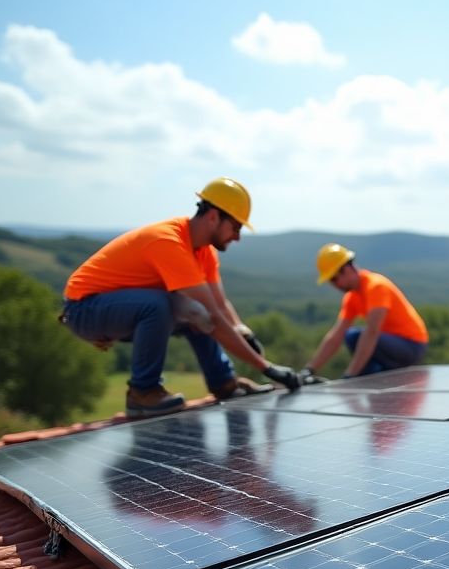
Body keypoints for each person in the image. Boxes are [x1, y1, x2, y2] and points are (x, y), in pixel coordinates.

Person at [61, 178, 299, 418]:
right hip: (84, 310)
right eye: (236, 227)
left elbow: (217, 305)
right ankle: (142, 393)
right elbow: (215, 319)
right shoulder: (169, 241)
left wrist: (242, 330)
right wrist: (265, 367)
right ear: (214, 216)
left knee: (194, 313)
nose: (237, 237)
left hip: (119, 307)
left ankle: (224, 383)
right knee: (163, 305)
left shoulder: (205, 251)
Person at [300, 243, 429, 381]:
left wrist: (349, 375)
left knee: (357, 336)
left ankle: (366, 378)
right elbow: (336, 336)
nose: (334, 285)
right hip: (389, 346)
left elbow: (372, 333)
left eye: (334, 278)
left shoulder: (376, 287)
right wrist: (309, 369)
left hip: (412, 346)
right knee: (350, 336)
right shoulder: (351, 298)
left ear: (347, 269)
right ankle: (372, 379)